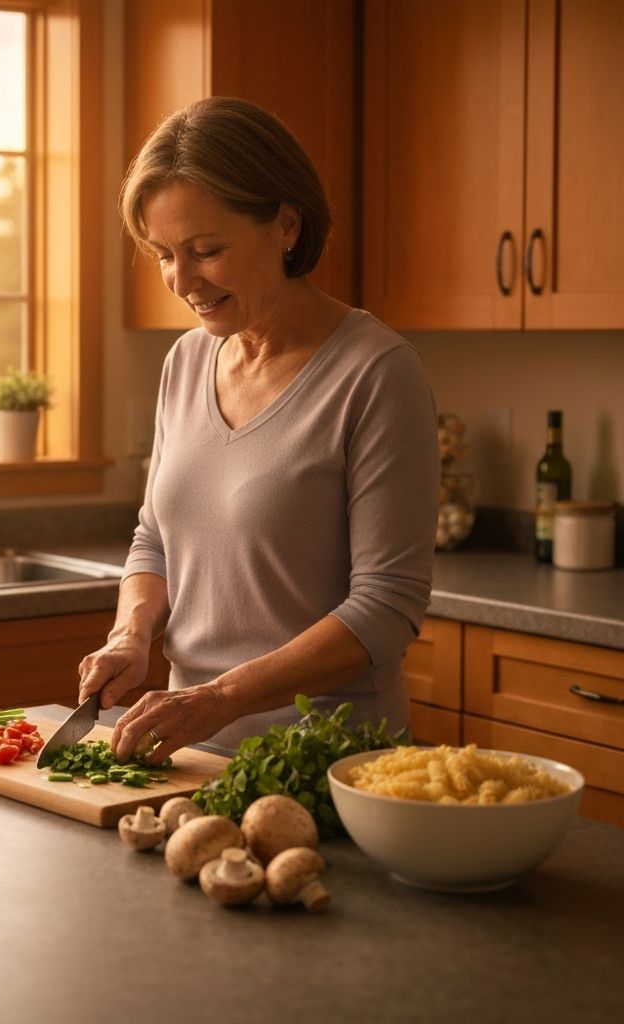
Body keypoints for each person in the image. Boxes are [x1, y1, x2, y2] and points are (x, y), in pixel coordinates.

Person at [78, 96, 440, 762]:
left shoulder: (377, 373)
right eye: (163, 254)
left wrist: (219, 698)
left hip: (326, 760)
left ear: (286, 226)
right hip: (186, 754)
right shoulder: (186, 361)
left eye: (206, 250)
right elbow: (155, 539)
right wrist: (131, 634)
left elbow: (387, 607)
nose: (181, 280)